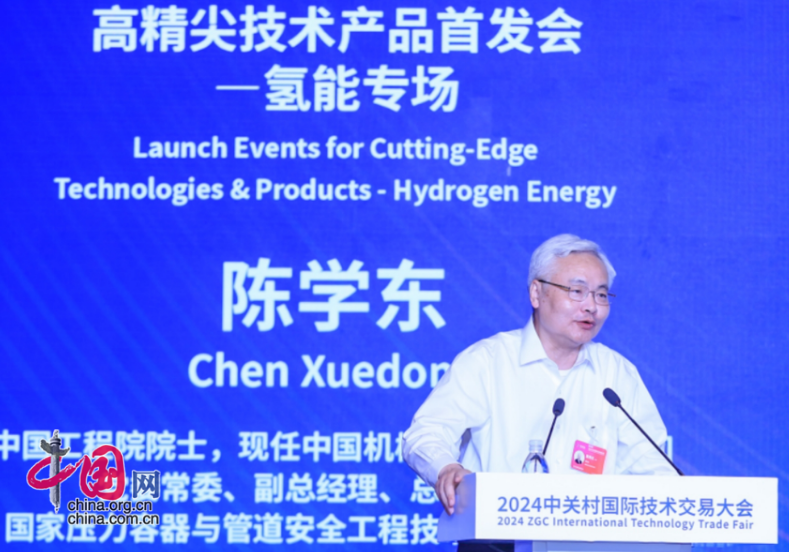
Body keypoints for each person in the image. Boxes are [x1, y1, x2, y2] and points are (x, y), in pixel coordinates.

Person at [403, 234, 676, 523]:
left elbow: (653, 468)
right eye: (577, 291)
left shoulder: (617, 374)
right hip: (496, 535)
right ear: (536, 293)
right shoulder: (487, 361)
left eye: (601, 295)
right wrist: (446, 468)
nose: (591, 306)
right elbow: (426, 433)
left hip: (591, 536)